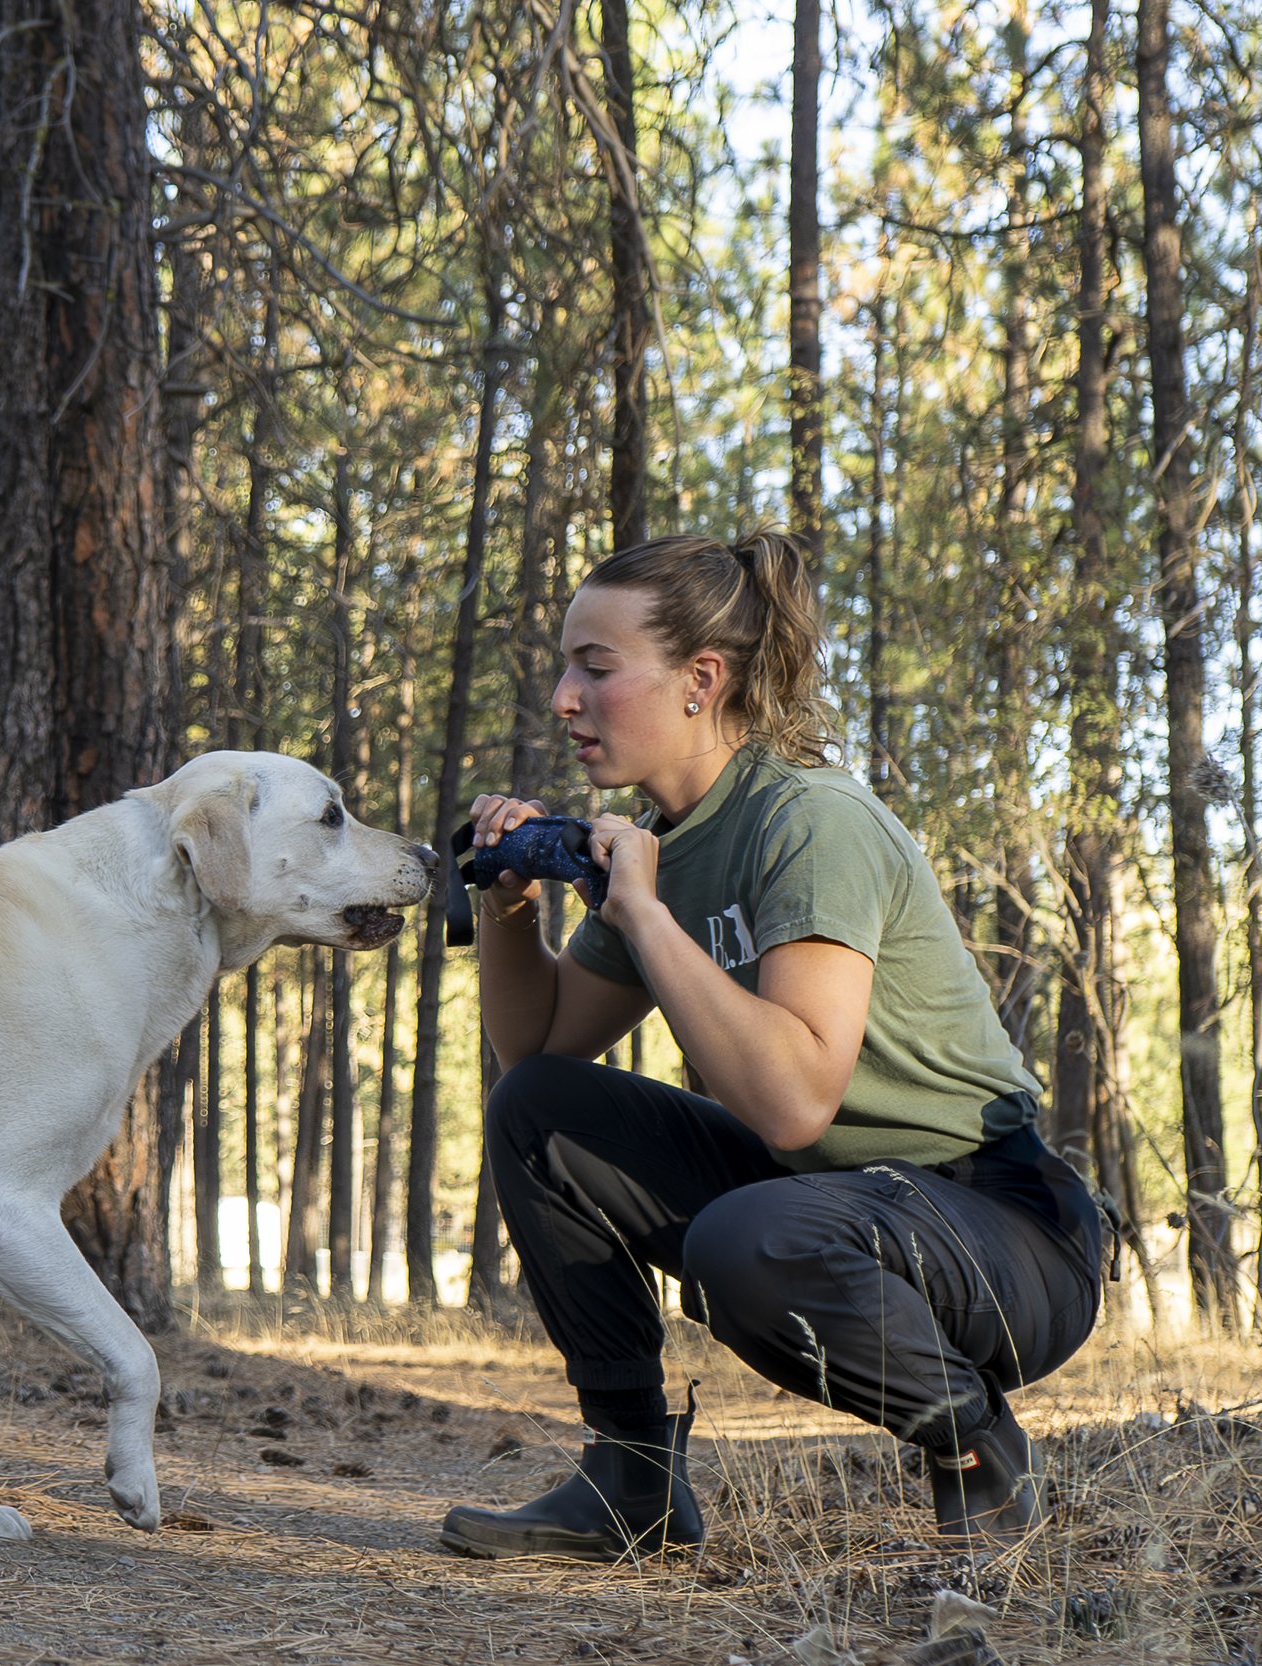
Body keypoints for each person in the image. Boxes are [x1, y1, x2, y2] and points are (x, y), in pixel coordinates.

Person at [437, 530, 1103, 1562]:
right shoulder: (662, 842)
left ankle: (977, 1454)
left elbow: (795, 1099)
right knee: (538, 1113)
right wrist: (512, 906)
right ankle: (630, 1480)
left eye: (595, 668)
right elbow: (537, 1048)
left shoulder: (806, 819)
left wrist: (646, 916)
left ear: (701, 679)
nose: (564, 697)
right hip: (832, 1198)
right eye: (565, 667)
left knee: (747, 1238)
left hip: (1001, 1226)